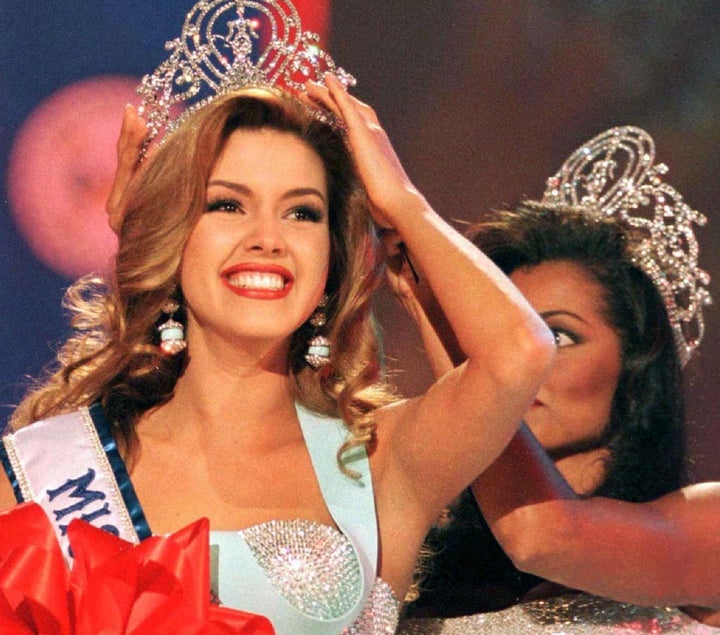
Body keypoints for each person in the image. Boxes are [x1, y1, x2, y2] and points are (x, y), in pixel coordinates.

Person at [0, 2, 555, 633]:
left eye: (302, 213)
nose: (268, 238)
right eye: (227, 206)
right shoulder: (46, 471)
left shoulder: (380, 462)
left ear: (332, 260)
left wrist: (405, 205)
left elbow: (521, 353)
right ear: (173, 237)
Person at [395, 127, 720, 631]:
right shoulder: (419, 553)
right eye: (505, 335)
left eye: (559, 336)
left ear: (635, 370)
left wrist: (408, 211)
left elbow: (543, 534)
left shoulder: (707, 528)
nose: (527, 358)